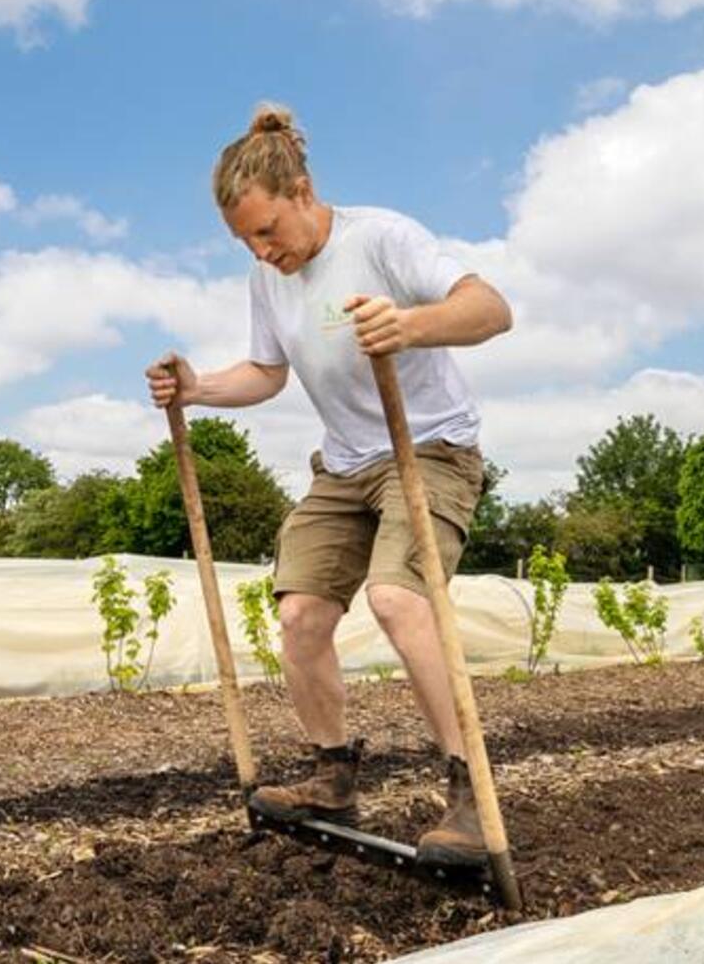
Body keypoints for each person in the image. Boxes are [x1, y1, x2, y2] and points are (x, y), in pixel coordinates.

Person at [145, 103, 512, 867]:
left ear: (303, 192)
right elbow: (268, 373)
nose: (260, 249)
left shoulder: (381, 237)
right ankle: (333, 775)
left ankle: (469, 793)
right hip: (344, 466)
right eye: (245, 239)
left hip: (431, 449)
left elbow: (490, 309)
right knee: (302, 614)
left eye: (268, 229)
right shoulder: (266, 279)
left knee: (398, 598)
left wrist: (409, 324)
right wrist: (199, 387)